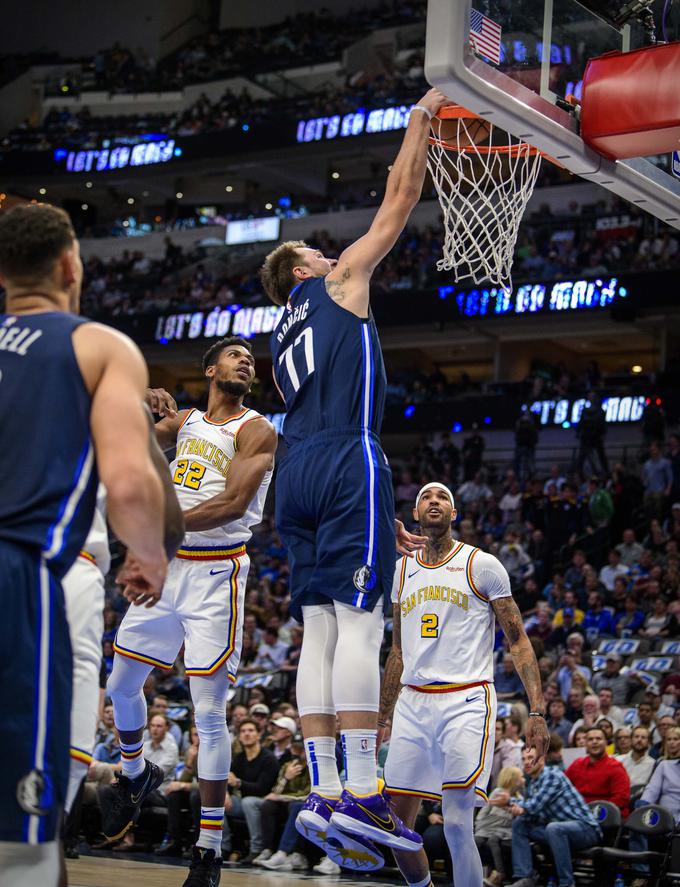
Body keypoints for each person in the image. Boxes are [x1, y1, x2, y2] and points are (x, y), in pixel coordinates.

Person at [260, 87, 448, 861]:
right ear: (301, 267)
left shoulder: (277, 336)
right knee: (362, 625)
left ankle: (324, 791)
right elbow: (400, 201)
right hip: (344, 456)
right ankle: (365, 792)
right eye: (315, 248)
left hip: (295, 469)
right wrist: (421, 121)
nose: (329, 250)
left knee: (321, 631)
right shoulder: (336, 285)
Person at [0, 203, 168, 887]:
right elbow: (128, 483)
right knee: (28, 826)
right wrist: (150, 553)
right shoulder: (97, 345)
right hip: (25, 574)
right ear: (71, 266)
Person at [105, 337, 278, 886]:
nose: (245, 360)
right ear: (209, 369)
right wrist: (141, 400)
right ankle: (135, 775)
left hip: (215, 572)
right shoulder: (183, 422)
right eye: (234, 354)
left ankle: (208, 849)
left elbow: (230, 504)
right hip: (169, 562)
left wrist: (155, 537)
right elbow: (125, 443)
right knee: (121, 684)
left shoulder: (256, 429)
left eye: (250, 357)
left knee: (208, 713)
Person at [378, 483, 549, 887]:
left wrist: (537, 711)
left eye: (443, 498)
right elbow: (397, 650)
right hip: (413, 700)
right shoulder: (402, 569)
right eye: (426, 497)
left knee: (456, 822)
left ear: (454, 514)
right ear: (416, 515)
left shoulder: (481, 564)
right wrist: (383, 714)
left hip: (467, 698)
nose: (434, 501)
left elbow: (519, 640)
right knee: (396, 828)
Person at [506, 747, 601, 887]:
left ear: (542, 759)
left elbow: (534, 805)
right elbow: (532, 813)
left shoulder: (552, 775)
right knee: (520, 823)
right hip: (558, 831)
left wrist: (510, 802)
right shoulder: (532, 784)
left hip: (586, 830)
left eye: (531, 758)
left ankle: (567, 883)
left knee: (554, 828)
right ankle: (525, 877)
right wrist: (518, 810)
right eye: (524, 759)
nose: (526, 762)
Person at [224, 719, 280, 862]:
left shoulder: (268, 758)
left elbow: (262, 788)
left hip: (265, 801)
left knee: (249, 802)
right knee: (216, 802)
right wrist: (225, 793)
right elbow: (228, 781)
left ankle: (257, 849)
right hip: (242, 802)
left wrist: (238, 783)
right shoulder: (239, 758)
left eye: (250, 731)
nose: (246, 734)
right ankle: (223, 846)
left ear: (259, 734)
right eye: (243, 731)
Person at [475, 766, 524, 887]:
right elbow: (485, 811)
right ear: (512, 779)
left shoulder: (519, 799)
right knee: (475, 841)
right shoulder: (498, 793)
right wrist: (479, 826)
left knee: (493, 840)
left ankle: (499, 873)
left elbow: (514, 820)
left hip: (504, 830)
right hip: (487, 827)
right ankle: (472, 873)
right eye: (521, 777)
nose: (524, 779)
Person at [565, 726, 630, 816]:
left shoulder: (616, 767)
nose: (594, 742)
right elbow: (564, 789)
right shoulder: (577, 764)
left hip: (604, 817)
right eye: (590, 739)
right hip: (578, 814)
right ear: (586, 744)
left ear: (606, 743)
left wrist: (596, 812)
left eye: (598, 739)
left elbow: (621, 798)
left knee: (554, 828)